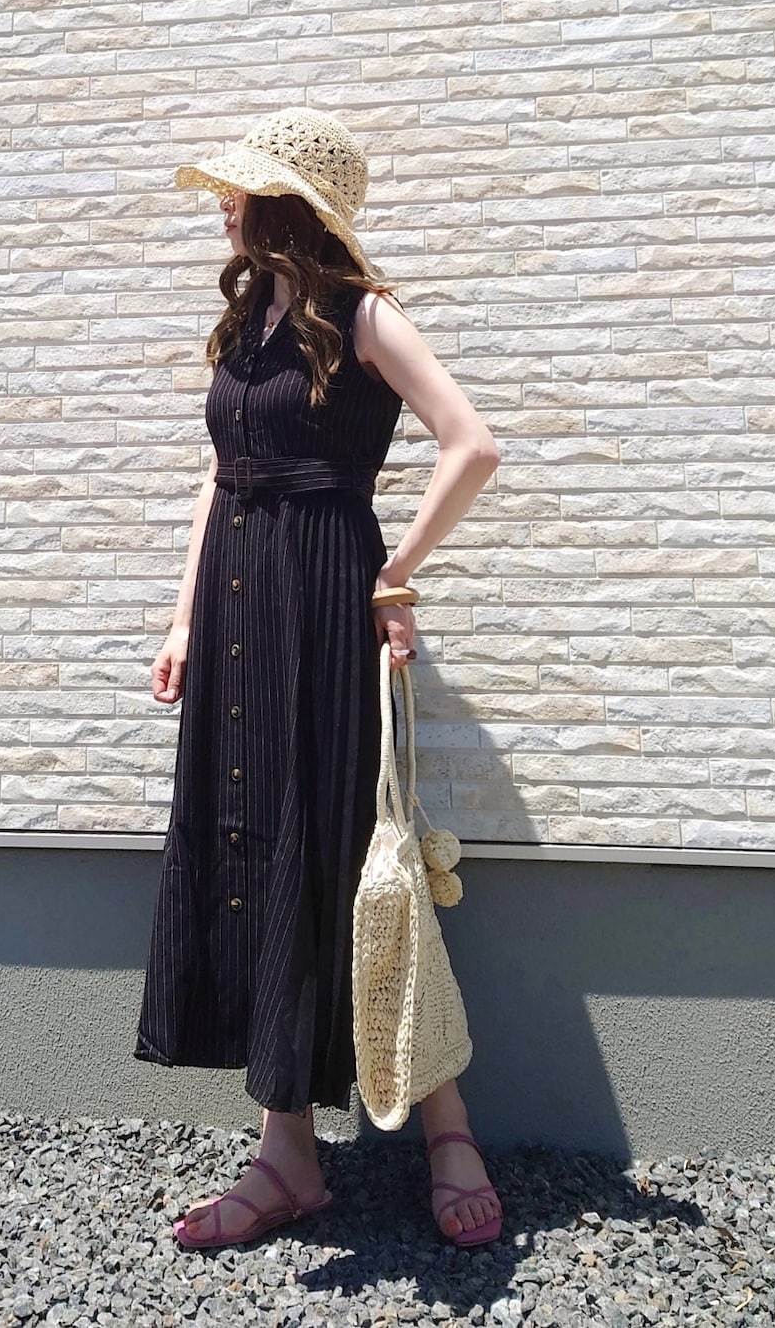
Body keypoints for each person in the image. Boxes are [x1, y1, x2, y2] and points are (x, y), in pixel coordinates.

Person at [133, 108, 502, 1250]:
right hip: (238, 604)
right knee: (251, 848)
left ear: (291, 206)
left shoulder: (365, 314)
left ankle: (448, 1128)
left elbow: (471, 443)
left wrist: (395, 572)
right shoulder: (245, 322)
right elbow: (219, 473)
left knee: (345, 850)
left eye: (242, 189)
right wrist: (184, 615)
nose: (224, 204)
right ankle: (285, 1152)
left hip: (322, 602)